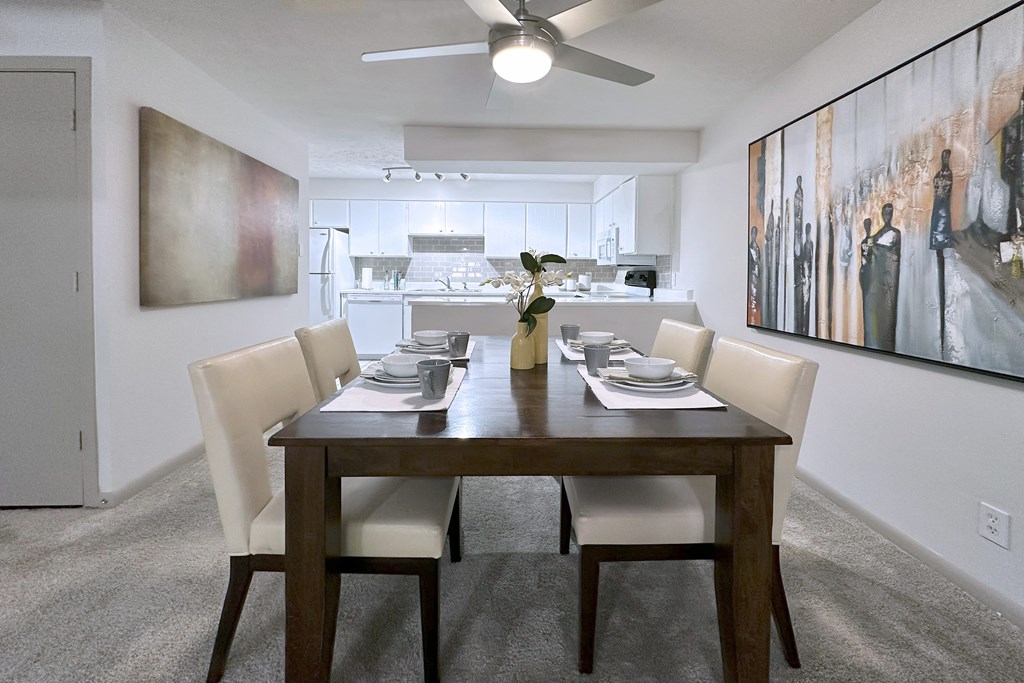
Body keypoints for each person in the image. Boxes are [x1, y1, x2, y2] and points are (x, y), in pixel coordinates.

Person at [859, 204, 902, 352]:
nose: (887, 215)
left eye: (889, 212)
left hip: (886, 287)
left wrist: (872, 248)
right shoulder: (877, 235)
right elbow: (868, 254)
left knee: (885, 323)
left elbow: (889, 255)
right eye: (885, 212)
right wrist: (867, 246)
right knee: (873, 322)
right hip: (874, 287)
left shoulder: (895, 233)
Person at [748, 225, 762, 325]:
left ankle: (754, 309)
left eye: (755, 233)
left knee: (756, 291)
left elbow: (759, 259)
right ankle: (752, 309)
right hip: (752, 272)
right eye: (752, 233)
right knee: (753, 291)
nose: (754, 235)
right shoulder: (750, 247)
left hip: (757, 273)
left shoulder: (756, 246)